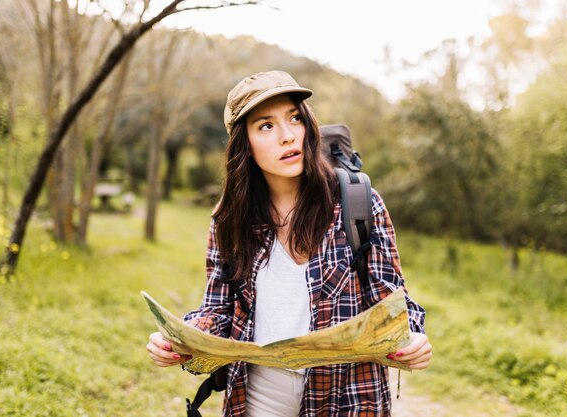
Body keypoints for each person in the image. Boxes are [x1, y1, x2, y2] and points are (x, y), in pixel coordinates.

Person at [146, 70, 432, 416]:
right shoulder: (229, 219)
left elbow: (390, 297)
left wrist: (413, 336)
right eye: (265, 126)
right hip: (260, 391)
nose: (286, 136)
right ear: (245, 144)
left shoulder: (358, 202)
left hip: (349, 394)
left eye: (294, 119)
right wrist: (182, 339)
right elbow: (217, 309)